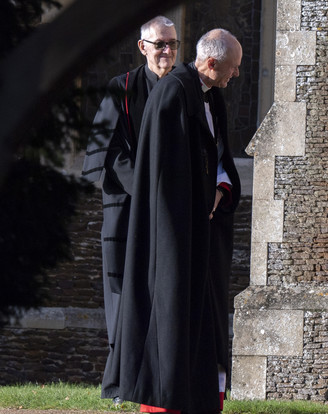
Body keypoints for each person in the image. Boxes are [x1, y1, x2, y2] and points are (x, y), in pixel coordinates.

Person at [105, 29, 242, 413]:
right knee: (171, 320)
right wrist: (199, 200)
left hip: (204, 234)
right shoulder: (173, 94)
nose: (235, 77)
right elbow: (164, 175)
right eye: (233, 68)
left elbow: (217, 158)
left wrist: (220, 188)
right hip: (175, 235)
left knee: (205, 327)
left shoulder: (211, 98)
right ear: (212, 63)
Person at [80, 15, 179, 403]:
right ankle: (121, 384)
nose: (167, 51)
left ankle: (159, 384)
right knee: (123, 296)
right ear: (143, 48)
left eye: (173, 43)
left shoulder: (185, 89)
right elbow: (110, 152)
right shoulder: (120, 90)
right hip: (126, 210)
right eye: (160, 45)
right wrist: (147, 189)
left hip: (171, 212)